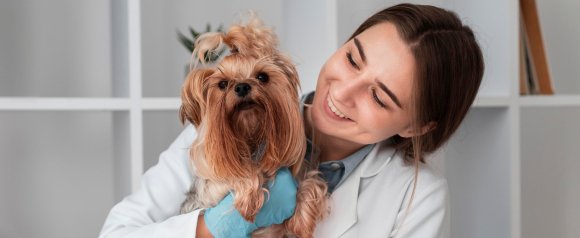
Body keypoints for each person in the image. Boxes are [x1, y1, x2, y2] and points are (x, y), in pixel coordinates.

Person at [99, 3, 483, 238]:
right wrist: (215, 229)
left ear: (415, 127)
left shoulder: (418, 198)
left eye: (379, 97)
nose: (343, 91)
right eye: (352, 59)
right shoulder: (218, 130)